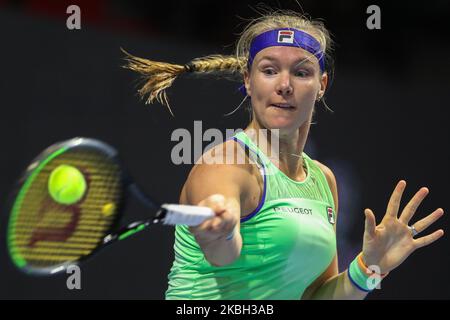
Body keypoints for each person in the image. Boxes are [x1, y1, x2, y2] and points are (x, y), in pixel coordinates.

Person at [124, 10, 445, 299]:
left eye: (301, 73)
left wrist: (367, 268)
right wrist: (218, 235)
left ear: (322, 85)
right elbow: (223, 253)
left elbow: (315, 296)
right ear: (248, 81)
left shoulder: (324, 179)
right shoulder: (225, 165)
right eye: (269, 70)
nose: (285, 85)